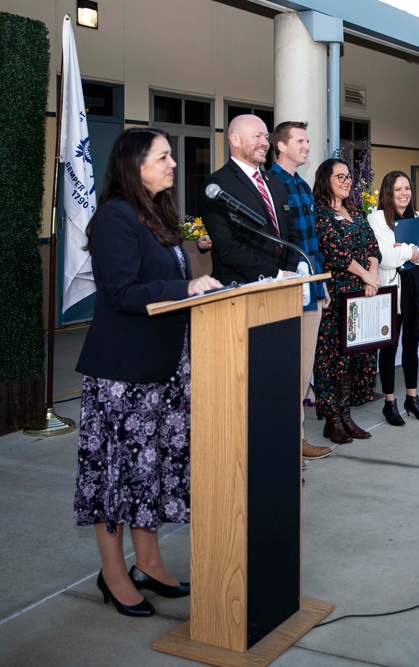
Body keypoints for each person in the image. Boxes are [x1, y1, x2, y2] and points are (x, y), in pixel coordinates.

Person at [75, 128, 222, 617]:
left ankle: (151, 563)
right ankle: (114, 574)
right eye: (163, 157)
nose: (173, 164)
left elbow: (174, 276)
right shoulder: (115, 217)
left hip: (164, 369)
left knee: (151, 474)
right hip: (124, 376)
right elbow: (121, 292)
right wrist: (186, 288)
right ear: (134, 165)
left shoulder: (158, 215)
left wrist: (197, 283)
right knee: (117, 476)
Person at [267, 121, 333, 462]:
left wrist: (322, 282)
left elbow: (312, 243)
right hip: (286, 290)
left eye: (308, 141)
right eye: (301, 141)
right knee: (288, 371)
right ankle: (287, 444)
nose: (307, 146)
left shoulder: (302, 187)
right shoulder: (270, 185)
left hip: (311, 289)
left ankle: (298, 438)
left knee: (302, 370)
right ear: (281, 147)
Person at [312, 158, 381, 442]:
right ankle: (332, 419)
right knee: (333, 359)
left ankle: (346, 415)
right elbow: (335, 252)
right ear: (325, 180)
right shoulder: (320, 213)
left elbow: (373, 246)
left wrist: (372, 275)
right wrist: (366, 276)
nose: (346, 181)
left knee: (354, 357)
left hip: (362, 294)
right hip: (337, 295)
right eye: (339, 176)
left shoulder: (355, 210)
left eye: (348, 176)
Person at [367, 170, 419, 424]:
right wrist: (413, 250)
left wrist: (406, 252)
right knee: (388, 347)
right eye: (398, 189)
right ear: (388, 192)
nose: (404, 193)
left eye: (407, 188)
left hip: (417, 290)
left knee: (412, 344)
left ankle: (412, 398)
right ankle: (389, 402)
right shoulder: (376, 219)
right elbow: (384, 257)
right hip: (392, 291)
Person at [200, 114, 301, 285]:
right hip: (240, 290)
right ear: (235, 140)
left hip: (283, 287)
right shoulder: (218, 184)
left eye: (266, 137)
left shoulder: (276, 184)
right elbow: (228, 246)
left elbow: (290, 235)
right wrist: (276, 275)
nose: (265, 143)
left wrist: (288, 272)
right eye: (257, 136)